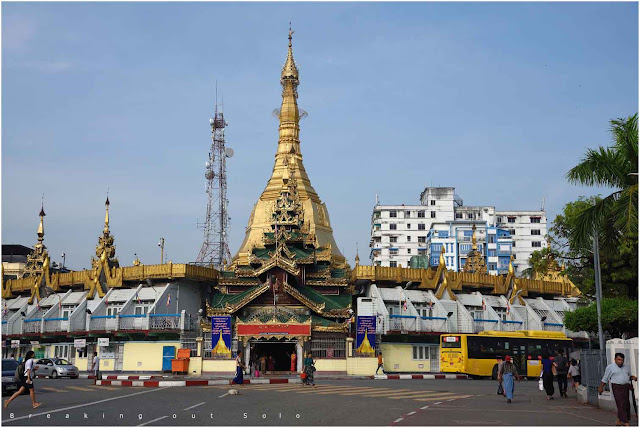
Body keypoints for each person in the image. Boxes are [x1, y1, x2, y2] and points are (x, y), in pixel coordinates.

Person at [598, 353, 637, 426]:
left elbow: (627, 376)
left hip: (625, 387)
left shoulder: (626, 367)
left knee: (625, 404)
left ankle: (619, 420)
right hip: (617, 387)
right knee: (620, 403)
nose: (620, 362)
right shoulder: (610, 367)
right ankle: (626, 422)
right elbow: (605, 378)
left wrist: (633, 377)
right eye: (619, 360)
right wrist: (601, 387)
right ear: (615, 359)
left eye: (622, 360)